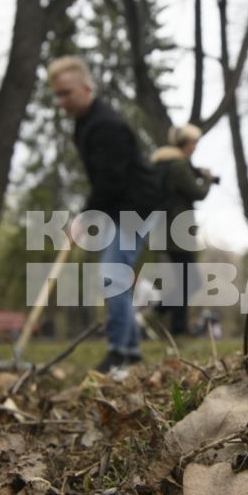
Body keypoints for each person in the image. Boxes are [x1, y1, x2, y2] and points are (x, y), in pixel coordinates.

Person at [48, 56, 161, 372]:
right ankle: (132, 352)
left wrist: (83, 218)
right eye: (57, 94)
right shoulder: (84, 124)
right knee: (114, 275)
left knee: (113, 275)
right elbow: (103, 182)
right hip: (118, 205)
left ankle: (119, 354)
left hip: (137, 204)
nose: (61, 101)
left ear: (86, 87)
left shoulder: (106, 125)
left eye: (66, 93)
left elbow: (111, 180)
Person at [150, 123, 216, 336]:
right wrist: (206, 180)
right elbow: (197, 192)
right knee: (192, 281)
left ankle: (179, 328)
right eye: (194, 142)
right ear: (186, 143)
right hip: (177, 232)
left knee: (185, 281)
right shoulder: (178, 166)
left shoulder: (166, 164)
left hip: (169, 230)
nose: (196, 146)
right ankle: (157, 310)